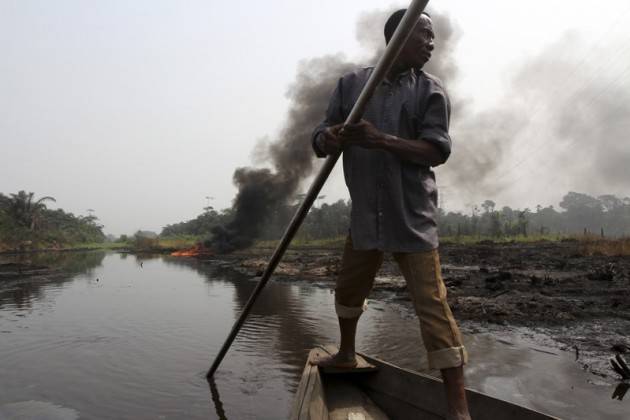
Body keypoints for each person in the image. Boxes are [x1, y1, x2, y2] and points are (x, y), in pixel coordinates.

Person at [310, 10, 471, 420]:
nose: (432, 44)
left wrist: (381, 139)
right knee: (348, 289)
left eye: (433, 37)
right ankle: (346, 354)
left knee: (433, 308)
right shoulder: (351, 86)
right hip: (365, 214)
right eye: (425, 35)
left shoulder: (431, 91)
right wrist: (328, 138)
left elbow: (436, 151)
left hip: (411, 217)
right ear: (397, 37)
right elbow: (319, 137)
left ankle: (458, 410)